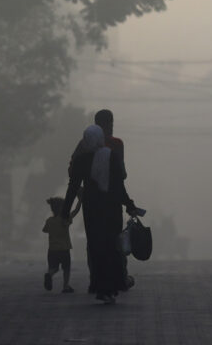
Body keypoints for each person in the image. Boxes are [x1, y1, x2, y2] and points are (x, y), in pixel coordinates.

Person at [63, 125, 139, 304]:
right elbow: (119, 185)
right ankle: (111, 287)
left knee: (96, 247)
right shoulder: (110, 156)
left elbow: (73, 187)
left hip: (92, 210)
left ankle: (99, 286)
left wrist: (65, 210)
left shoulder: (81, 160)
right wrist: (129, 205)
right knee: (112, 247)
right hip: (111, 208)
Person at [43, 192, 82, 293]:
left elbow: (45, 230)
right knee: (66, 268)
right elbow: (76, 211)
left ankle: (49, 274)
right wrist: (80, 201)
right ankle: (65, 286)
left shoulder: (49, 221)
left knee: (54, 268)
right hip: (64, 249)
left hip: (52, 250)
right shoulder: (65, 219)